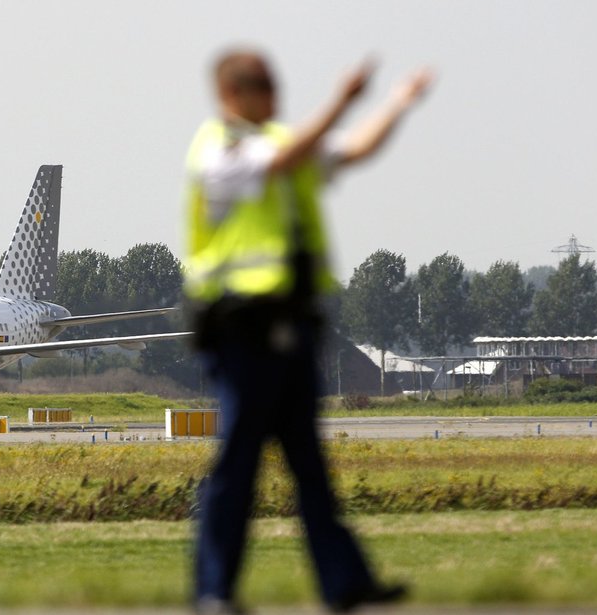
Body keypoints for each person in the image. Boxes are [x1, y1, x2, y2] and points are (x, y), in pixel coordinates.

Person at [184, 48, 432, 614]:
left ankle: (345, 583)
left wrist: (398, 102)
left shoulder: (281, 147)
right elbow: (283, 159)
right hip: (241, 331)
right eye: (257, 86)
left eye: (272, 84)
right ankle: (214, 590)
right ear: (229, 95)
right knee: (237, 466)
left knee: (311, 468)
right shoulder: (220, 151)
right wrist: (341, 101)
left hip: (291, 332)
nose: (271, 95)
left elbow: (355, 148)